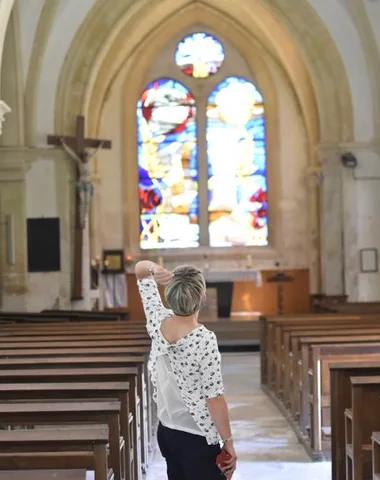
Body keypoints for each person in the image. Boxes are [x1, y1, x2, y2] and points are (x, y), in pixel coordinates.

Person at [135, 261, 237, 479]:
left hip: (167, 431)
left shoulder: (156, 321)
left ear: (170, 295)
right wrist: (228, 441)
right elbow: (214, 398)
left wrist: (154, 269)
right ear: (202, 298)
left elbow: (140, 271)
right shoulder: (204, 339)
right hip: (196, 436)